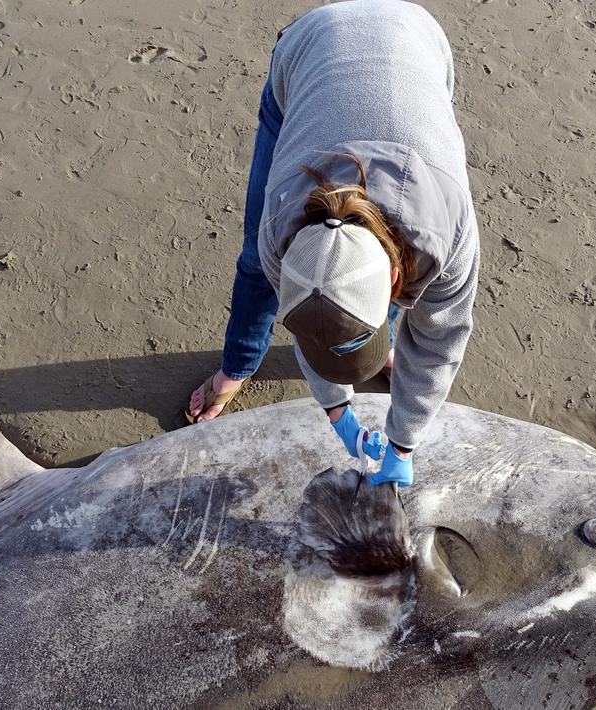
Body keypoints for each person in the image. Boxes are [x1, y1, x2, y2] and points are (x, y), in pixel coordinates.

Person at [184, 0, 479, 488]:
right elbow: (312, 320)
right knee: (254, 270)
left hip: (416, 42)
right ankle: (237, 367)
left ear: (395, 277)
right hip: (310, 51)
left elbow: (439, 343)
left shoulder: (447, 237)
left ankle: (366, 335)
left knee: (363, 298)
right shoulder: (280, 225)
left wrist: (404, 441)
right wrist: (338, 411)